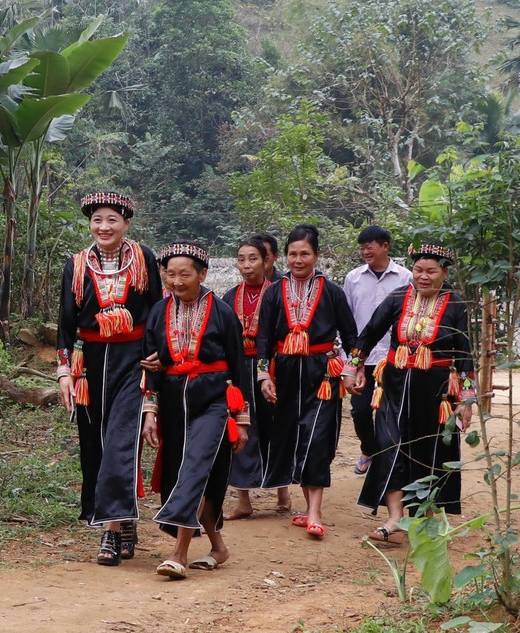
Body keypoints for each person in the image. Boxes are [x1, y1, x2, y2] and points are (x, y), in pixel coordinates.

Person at [56, 191, 163, 565]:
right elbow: (65, 323)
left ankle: (112, 531)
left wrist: (158, 353)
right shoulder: (77, 265)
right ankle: (125, 518)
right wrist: (64, 372)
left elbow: (156, 309)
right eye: (97, 220)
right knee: (95, 445)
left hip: (133, 360)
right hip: (90, 364)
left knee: (121, 440)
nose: (104, 227)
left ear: (126, 224)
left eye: (112, 219)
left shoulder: (143, 258)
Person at [350, 243, 474, 544]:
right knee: (388, 445)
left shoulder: (456, 304)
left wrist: (466, 399)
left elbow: (464, 353)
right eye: (418, 270)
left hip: (435, 392)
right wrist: (354, 366)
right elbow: (370, 333)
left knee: (429, 452)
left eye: (431, 271)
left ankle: (422, 519)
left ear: (444, 272)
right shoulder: (397, 297)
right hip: (395, 386)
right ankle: (394, 518)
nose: (423, 276)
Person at [141, 241, 251, 579]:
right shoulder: (158, 312)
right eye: (170, 274)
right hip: (174, 405)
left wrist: (242, 420)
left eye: (185, 274)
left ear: (202, 275)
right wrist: (150, 413)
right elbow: (150, 366)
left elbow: (239, 367)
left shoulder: (222, 312)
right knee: (192, 475)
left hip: (214, 402)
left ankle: (179, 554)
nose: (176, 281)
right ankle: (218, 547)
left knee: (194, 470)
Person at [255, 224, 358, 539]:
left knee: (317, 438)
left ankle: (315, 511)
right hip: (285, 372)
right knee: (293, 437)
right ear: (284, 256)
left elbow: (351, 336)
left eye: (305, 254)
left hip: (322, 372)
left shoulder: (332, 292)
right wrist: (263, 374)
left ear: (317, 255)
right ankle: (307, 506)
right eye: (292, 254)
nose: (298, 260)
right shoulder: (274, 291)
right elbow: (263, 338)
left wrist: (352, 369)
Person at [223, 237, 291, 519]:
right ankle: (244, 500)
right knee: (241, 427)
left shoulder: (279, 293)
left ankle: (283, 491)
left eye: (253, 259)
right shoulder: (229, 297)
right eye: (241, 259)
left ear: (267, 261)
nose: (247, 265)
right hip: (240, 370)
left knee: (276, 426)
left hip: (271, 370)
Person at [342, 226, 412, 476]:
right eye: (362, 248)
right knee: (360, 410)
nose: (365, 252)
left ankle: (389, 459)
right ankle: (368, 449)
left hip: (394, 358)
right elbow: (347, 321)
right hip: (362, 358)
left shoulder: (405, 278)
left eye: (369, 246)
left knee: (389, 412)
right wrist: (351, 362)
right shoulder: (353, 278)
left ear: (385, 246)